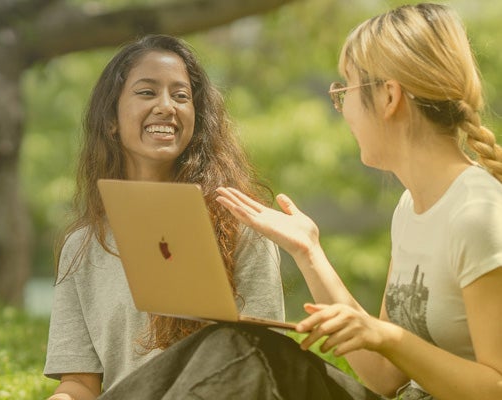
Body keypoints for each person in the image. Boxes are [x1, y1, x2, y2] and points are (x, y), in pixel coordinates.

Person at [102, 4, 502, 399]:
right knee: (236, 341)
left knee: (242, 351)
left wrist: (390, 337)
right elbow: (383, 376)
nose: (342, 109)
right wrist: (308, 251)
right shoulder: (411, 210)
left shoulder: (477, 215)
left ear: (389, 97)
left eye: (344, 90)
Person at [44, 34, 286, 400]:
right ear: (111, 119)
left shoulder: (243, 228)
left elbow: (269, 363)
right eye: (146, 92)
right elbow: (79, 384)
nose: (166, 106)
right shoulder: (82, 247)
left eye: (181, 96)